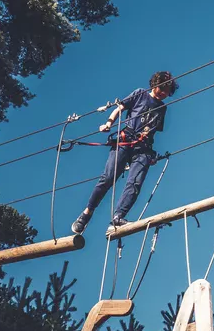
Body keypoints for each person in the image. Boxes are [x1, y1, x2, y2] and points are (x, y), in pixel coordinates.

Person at [71, 71, 177, 234]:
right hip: (126, 140)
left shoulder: (162, 108)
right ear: (155, 84)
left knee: (135, 184)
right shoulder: (140, 94)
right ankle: (86, 214)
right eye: (162, 89)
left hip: (143, 148)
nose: (164, 94)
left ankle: (118, 217)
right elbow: (119, 108)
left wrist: (151, 155)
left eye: (167, 91)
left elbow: (153, 130)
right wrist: (108, 123)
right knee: (108, 178)